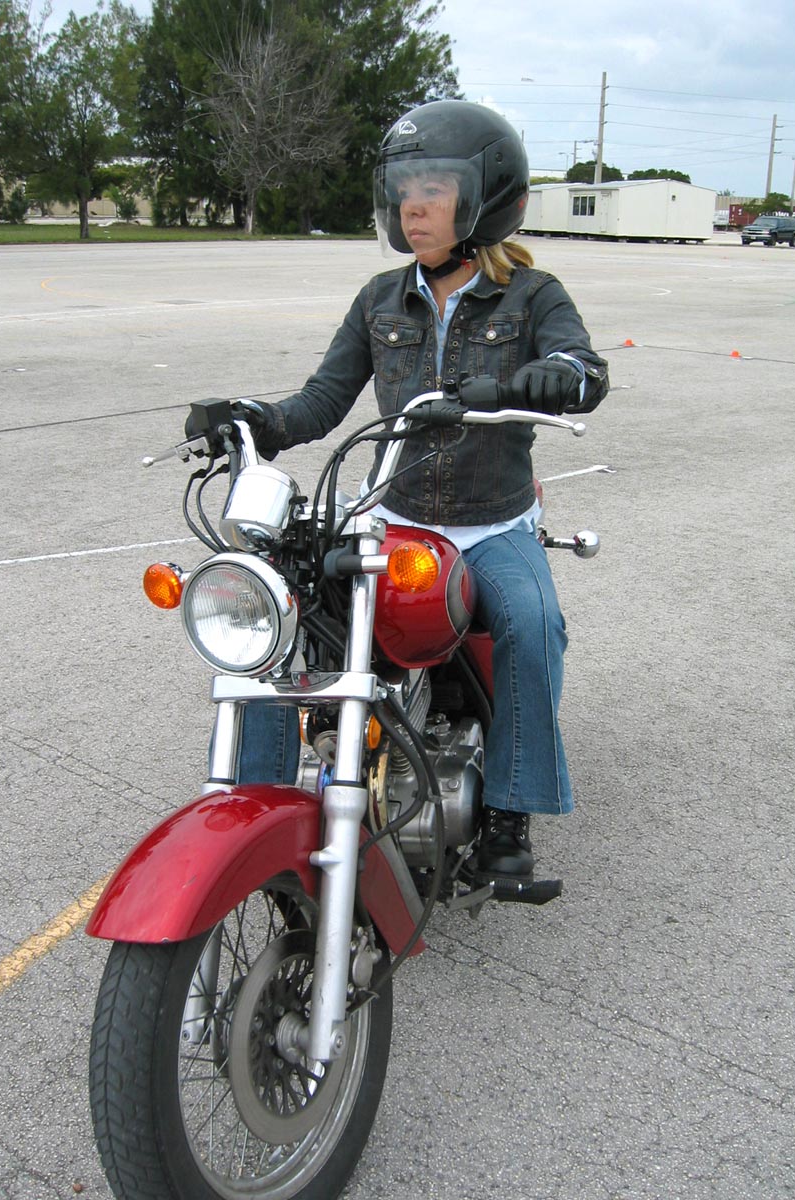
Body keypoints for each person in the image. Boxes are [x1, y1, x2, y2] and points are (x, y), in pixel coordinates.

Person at [240, 100, 609, 884]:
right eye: (405, 190)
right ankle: (256, 807)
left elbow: (585, 369)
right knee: (285, 608)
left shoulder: (532, 295)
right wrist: (257, 421)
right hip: (392, 515)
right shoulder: (379, 298)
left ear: (486, 198)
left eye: (434, 189)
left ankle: (508, 815)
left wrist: (556, 375)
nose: (414, 207)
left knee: (533, 625)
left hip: (492, 523)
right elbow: (323, 399)